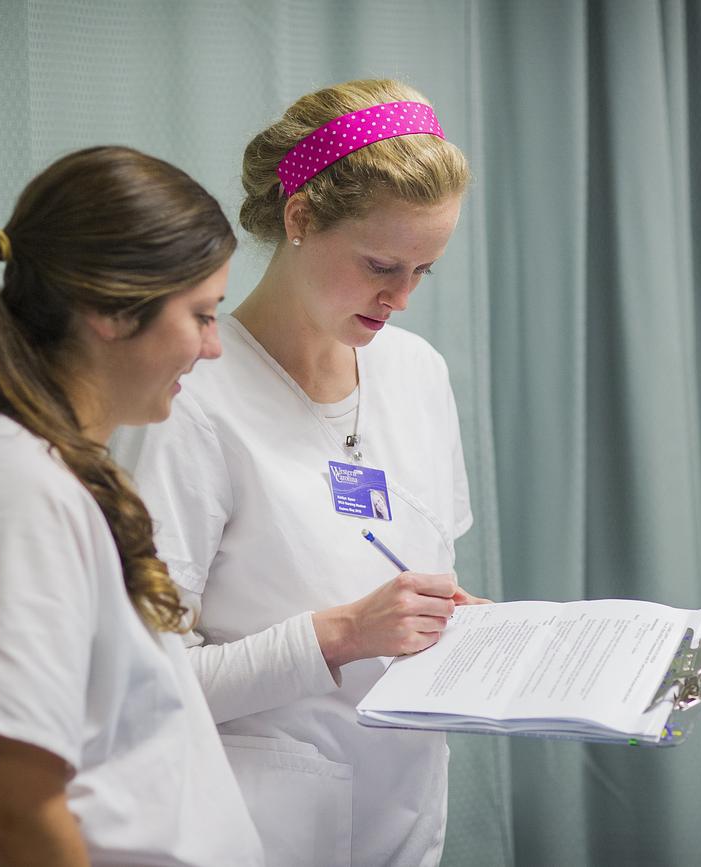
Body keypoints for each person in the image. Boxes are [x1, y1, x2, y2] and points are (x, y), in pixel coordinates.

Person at [0, 146, 263, 867]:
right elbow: (16, 816)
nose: (213, 347)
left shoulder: (61, 481)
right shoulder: (10, 499)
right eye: (201, 315)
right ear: (109, 308)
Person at [113, 79, 487, 866]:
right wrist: (340, 634)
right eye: (382, 263)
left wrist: (463, 628)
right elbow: (141, 686)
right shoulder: (190, 402)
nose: (402, 297)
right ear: (300, 218)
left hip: (406, 819)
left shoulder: (417, 374)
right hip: (250, 831)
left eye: (425, 270)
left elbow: (422, 585)